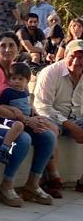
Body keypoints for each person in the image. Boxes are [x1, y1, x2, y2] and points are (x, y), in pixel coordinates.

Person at [0, 31, 57, 207]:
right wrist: (26, 121)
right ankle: (6, 186)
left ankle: (32, 185)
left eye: (11, 46)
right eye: (3, 46)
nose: (7, 49)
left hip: (11, 120)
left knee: (47, 136)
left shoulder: (18, 70)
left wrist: (36, 118)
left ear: (18, 49)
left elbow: (25, 100)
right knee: (22, 139)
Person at [33, 39, 83, 195]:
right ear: (65, 55)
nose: (76, 61)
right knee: (50, 131)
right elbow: (42, 106)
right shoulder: (50, 73)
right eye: (72, 56)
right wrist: (70, 125)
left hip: (77, 116)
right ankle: (53, 179)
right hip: (52, 116)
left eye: (81, 57)